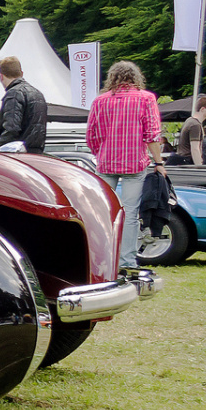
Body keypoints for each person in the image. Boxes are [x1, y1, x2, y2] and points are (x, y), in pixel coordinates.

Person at [85, 60, 163, 271]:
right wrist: (159, 162)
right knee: (130, 212)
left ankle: (101, 258)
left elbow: (91, 134)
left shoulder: (100, 101)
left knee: (103, 211)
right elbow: (152, 134)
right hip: (134, 163)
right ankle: (126, 260)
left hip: (106, 162)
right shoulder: (146, 99)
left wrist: (100, 153)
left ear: (113, 77)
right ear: (136, 77)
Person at [0, 56, 48, 153]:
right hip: (36, 153)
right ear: (21, 73)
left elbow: (11, 128)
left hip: (16, 154)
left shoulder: (14, 94)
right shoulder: (38, 94)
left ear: (1, 76)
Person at [173, 96, 206, 165]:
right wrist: (199, 167)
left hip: (182, 160)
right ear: (202, 109)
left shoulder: (189, 120)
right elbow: (195, 149)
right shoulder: (195, 124)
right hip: (187, 161)